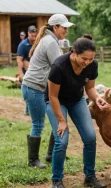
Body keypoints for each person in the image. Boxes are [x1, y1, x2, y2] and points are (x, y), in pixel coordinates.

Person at [46, 34, 108, 188]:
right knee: (61, 140)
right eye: (84, 59)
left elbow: (90, 88)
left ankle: (89, 176)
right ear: (74, 53)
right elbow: (52, 96)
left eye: (90, 59)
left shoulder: (92, 66)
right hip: (56, 101)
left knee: (90, 137)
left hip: (77, 100)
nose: (87, 62)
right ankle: (57, 180)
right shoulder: (59, 66)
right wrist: (61, 120)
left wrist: (97, 99)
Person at [21, 14, 74, 169]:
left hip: (37, 86)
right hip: (34, 86)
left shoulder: (50, 40)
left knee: (55, 120)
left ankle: (51, 154)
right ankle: (33, 161)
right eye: (64, 28)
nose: (66, 31)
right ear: (55, 27)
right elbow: (60, 66)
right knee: (38, 124)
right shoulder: (50, 42)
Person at [17, 25, 37, 115]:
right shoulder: (23, 45)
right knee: (29, 90)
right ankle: (28, 110)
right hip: (27, 71)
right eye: (31, 32)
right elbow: (19, 59)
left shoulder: (38, 43)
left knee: (35, 90)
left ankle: (30, 109)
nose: (33, 34)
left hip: (36, 69)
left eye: (34, 32)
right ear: (28, 33)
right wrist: (21, 73)